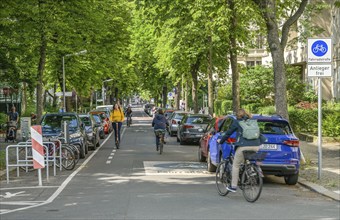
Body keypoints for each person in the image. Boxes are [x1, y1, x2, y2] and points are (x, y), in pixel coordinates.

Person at [217, 109, 265, 193]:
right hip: (256, 146)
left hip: (243, 146)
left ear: (238, 115)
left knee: (236, 165)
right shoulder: (252, 122)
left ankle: (233, 186)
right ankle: (251, 171)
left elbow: (228, 133)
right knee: (246, 159)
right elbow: (259, 134)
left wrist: (221, 141)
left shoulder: (237, 122)